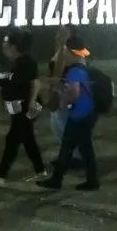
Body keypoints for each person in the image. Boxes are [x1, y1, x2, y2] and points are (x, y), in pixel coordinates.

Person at [0, 30, 47, 184]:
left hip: (28, 107)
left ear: (14, 46)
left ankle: (1, 176)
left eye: (6, 44)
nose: (3, 46)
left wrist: (32, 102)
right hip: (16, 107)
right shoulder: (9, 63)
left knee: (12, 139)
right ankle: (40, 171)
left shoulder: (27, 62)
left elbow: (36, 82)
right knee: (27, 138)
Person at [37, 39, 98, 191]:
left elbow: (75, 94)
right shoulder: (83, 67)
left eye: (64, 51)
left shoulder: (74, 71)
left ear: (71, 53)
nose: (63, 54)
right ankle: (90, 181)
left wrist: (62, 95)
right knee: (83, 149)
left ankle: (57, 181)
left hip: (79, 115)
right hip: (87, 113)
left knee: (69, 148)